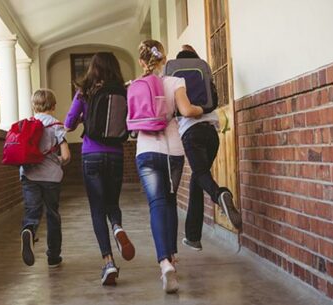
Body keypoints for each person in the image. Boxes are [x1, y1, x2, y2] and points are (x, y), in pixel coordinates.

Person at [134, 40, 204, 293]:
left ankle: (164, 262)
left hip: (146, 150)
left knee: (157, 205)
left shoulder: (135, 85)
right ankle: (172, 258)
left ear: (142, 61)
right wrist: (199, 108)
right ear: (164, 60)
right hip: (172, 151)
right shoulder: (175, 83)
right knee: (171, 201)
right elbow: (186, 110)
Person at [65, 52, 135, 286]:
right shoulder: (123, 91)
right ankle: (117, 227)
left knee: (97, 208)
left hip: (91, 155)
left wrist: (83, 116)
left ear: (92, 69)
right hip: (115, 154)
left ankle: (108, 262)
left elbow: (68, 123)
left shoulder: (85, 91)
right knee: (112, 203)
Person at [175, 44, 242, 252]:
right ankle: (193, 236)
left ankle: (220, 194)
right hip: (211, 133)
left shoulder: (175, 80)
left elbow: (173, 110)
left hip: (191, 133)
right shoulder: (205, 75)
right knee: (198, 179)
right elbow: (214, 103)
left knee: (201, 174)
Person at [20, 89, 71, 268]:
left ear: (34, 106)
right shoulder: (56, 125)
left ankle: (28, 230)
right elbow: (65, 156)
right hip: (51, 177)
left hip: (29, 175)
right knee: (52, 215)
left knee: (32, 212)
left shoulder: (27, 124)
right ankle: (53, 256)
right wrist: (58, 161)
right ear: (54, 105)